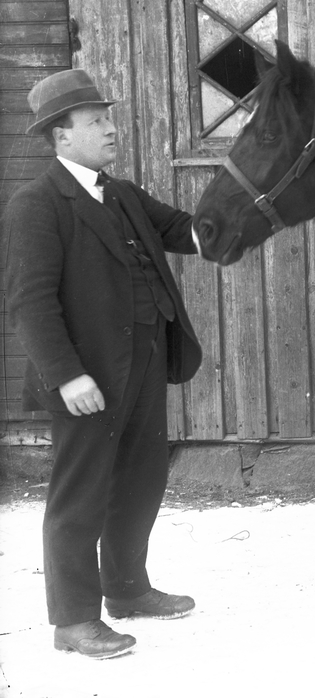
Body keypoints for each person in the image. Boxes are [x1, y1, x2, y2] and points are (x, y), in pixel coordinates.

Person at [2, 68, 204, 660]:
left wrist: (253, 205)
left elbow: (188, 231)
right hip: (86, 377)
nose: (111, 129)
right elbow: (29, 301)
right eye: (95, 122)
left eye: (108, 118)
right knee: (80, 495)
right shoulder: (36, 204)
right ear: (61, 136)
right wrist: (68, 375)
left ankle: (128, 590)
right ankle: (72, 622)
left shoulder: (122, 194)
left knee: (140, 481)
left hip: (144, 362)